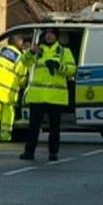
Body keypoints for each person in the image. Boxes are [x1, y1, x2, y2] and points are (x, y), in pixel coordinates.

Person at [21, 28, 76, 161]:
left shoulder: (64, 52)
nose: (49, 36)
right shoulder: (38, 50)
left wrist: (58, 67)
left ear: (56, 36)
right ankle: (29, 152)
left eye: (52, 34)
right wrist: (30, 53)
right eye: (47, 34)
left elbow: (72, 70)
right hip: (38, 96)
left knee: (54, 128)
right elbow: (24, 62)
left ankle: (53, 153)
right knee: (33, 127)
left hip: (55, 97)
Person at [0, 34, 29, 142]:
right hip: (9, 92)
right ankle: (5, 136)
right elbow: (22, 79)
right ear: (20, 45)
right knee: (7, 116)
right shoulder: (21, 58)